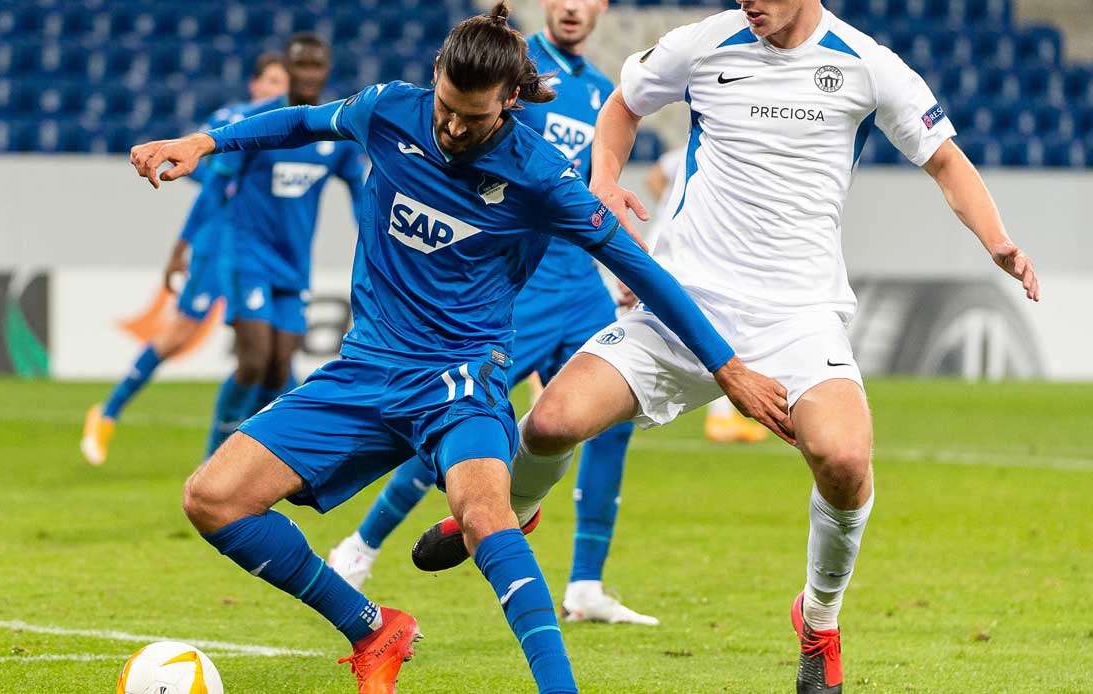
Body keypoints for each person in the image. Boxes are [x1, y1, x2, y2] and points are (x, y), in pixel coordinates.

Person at [128, 5, 789, 691]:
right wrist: (205, 143)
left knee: (485, 516)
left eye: (472, 119)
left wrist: (729, 369)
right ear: (436, 75)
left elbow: (644, 270)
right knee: (212, 498)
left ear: (508, 103)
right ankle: (371, 628)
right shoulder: (388, 111)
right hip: (366, 370)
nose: (451, 127)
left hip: (460, 379)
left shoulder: (539, 174)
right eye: (446, 106)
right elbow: (300, 121)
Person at [413, 2, 1040, 692]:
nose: (749, 4)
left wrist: (997, 239)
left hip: (798, 319)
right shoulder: (703, 43)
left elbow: (945, 161)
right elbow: (624, 105)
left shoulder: (868, 66)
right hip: (684, 306)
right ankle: (511, 514)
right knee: (555, 419)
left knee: (845, 458)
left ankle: (819, 621)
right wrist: (603, 182)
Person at [326, 0, 658, 626]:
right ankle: (360, 548)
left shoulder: (599, 93)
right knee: (454, 424)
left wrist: (620, 267)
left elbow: (588, 196)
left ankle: (586, 584)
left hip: (581, 286)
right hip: (515, 292)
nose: (570, 7)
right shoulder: (503, 71)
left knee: (611, 418)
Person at [81, 53, 291, 466]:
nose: (276, 91)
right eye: (269, 82)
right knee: (180, 336)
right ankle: (106, 413)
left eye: (281, 84)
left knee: (272, 354)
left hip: (259, 252)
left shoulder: (286, 126)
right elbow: (210, 182)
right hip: (220, 246)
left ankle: (255, 449)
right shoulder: (234, 119)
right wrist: (183, 245)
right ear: (253, 85)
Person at [202, 34, 367, 458]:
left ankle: (250, 457)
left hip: (294, 266)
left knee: (278, 370)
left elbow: (361, 197)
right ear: (288, 69)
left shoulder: (335, 131)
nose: (309, 74)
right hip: (248, 256)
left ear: (327, 71)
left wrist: (377, 242)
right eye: (301, 66)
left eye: (317, 66)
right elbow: (217, 187)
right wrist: (193, 244)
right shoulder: (258, 122)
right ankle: (216, 456)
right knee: (255, 360)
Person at [644, 149, 769, 444]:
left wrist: (667, 202)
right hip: (675, 252)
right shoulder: (718, 150)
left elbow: (654, 177)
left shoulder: (692, 152)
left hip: (663, 250)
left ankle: (721, 416)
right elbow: (654, 179)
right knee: (720, 332)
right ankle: (720, 418)